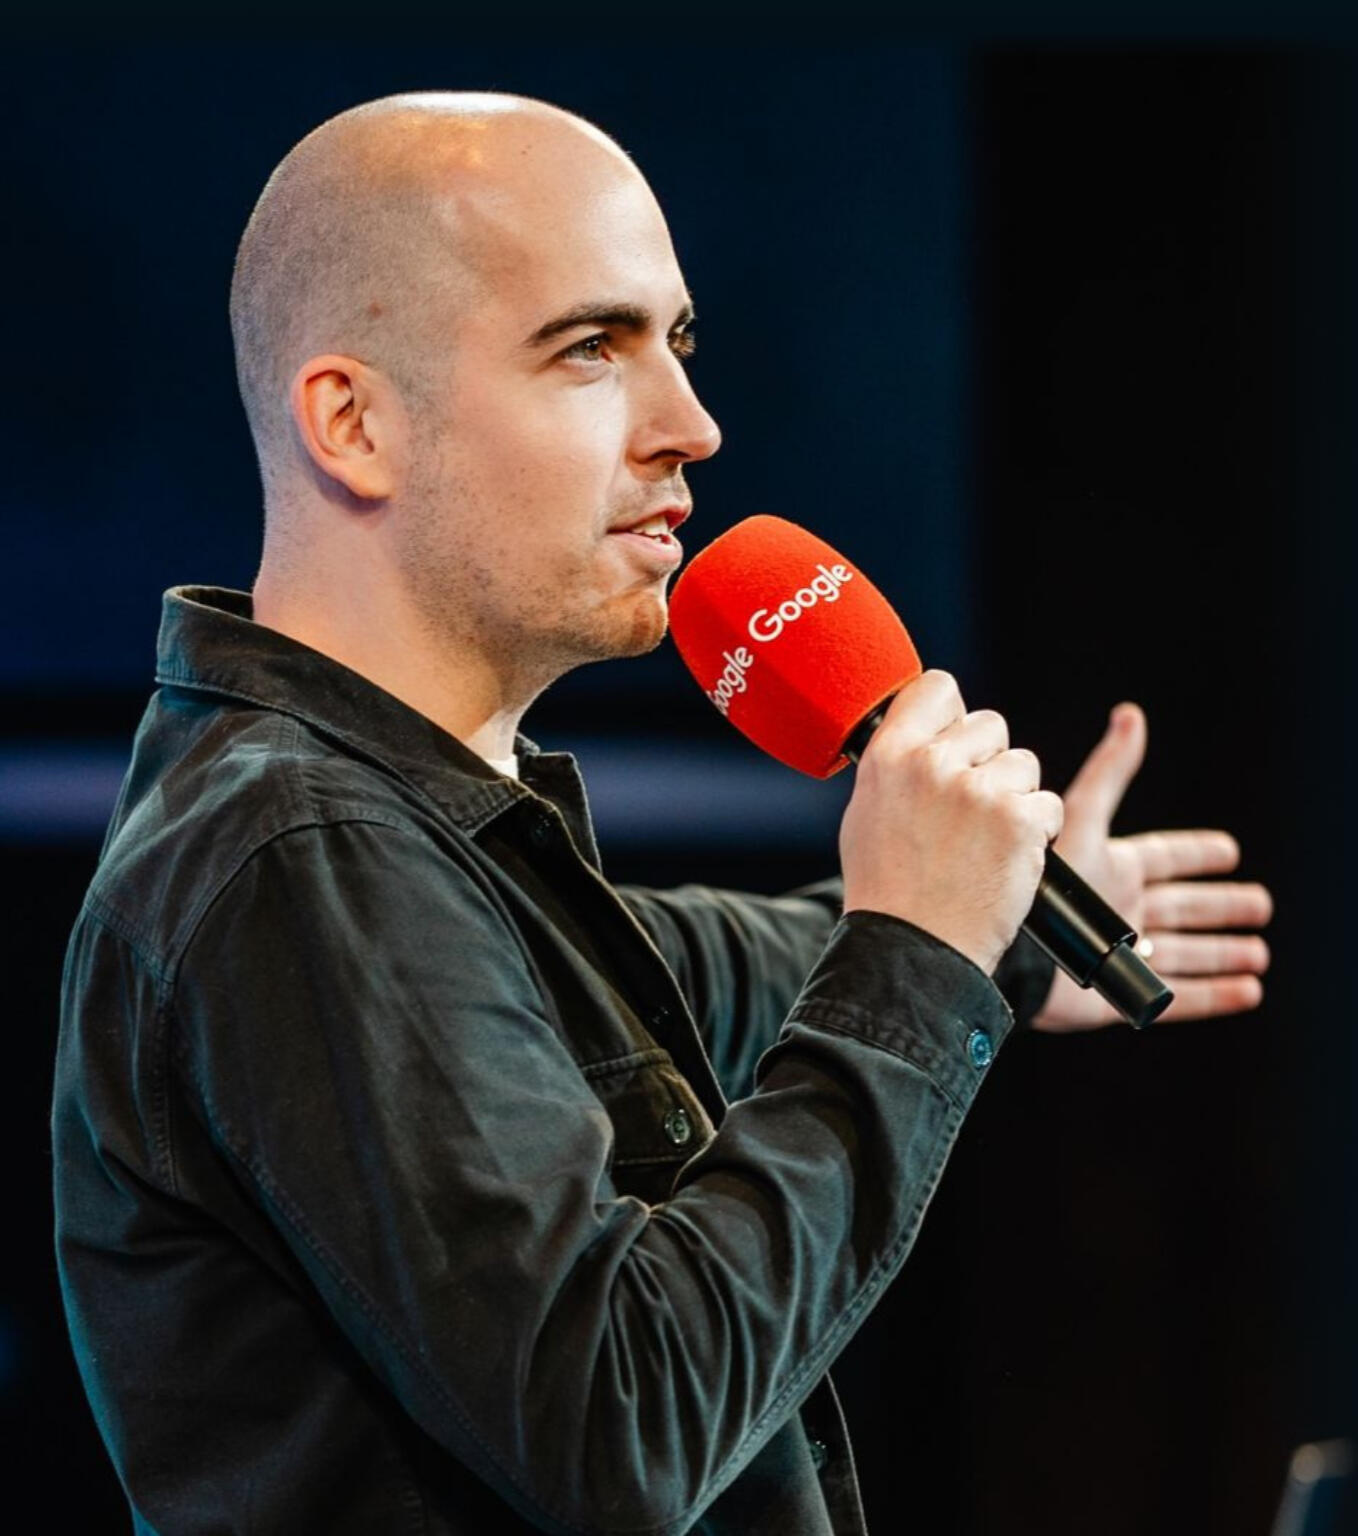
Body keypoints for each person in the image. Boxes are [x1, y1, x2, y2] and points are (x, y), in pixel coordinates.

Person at [53, 92, 1272, 1535]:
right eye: (590, 347)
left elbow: (688, 964)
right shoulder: (305, 851)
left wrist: (992, 923)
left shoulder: (390, 835)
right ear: (354, 423)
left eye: (676, 343)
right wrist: (918, 961)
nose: (691, 427)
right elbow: (616, 1420)